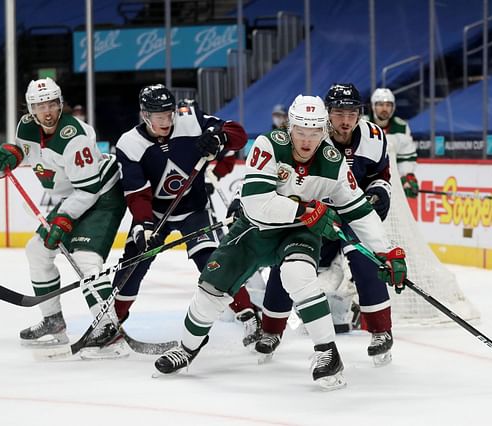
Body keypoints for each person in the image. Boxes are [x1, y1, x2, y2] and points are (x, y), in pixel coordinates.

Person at [153, 94, 407, 390]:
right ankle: (186, 348)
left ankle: (328, 353)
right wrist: (306, 211)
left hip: (298, 232)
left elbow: (359, 209)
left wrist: (386, 252)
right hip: (254, 230)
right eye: (301, 131)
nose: (306, 140)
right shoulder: (268, 145)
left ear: (324, 130)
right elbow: (259, 203)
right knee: (212, 284)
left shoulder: (333, 161)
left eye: (314, 132)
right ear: (290, 127)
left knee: (297, 274)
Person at [256, 83, 400, 367]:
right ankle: (271, 329)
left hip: (352, 213)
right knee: (289, 262)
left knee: (366, 260)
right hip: (314, 214)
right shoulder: (309, 137)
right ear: (326, 113)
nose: (345, 121)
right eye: (338, 113)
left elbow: (380, 175)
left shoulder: (373, 136)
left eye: (352, 113)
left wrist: (380, 192)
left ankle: (381, 331)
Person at [111, 85, 261, 347]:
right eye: (159, 117)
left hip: (195, 210)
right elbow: (137, 193)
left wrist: (220, 138)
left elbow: (238, 134)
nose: (166, 121)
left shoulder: (190, 118)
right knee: (132, 265)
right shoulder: (129, 144)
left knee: (214, 264)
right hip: (155, 214)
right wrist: (144, 226)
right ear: (145, 115)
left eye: (169, 115)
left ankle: (248, 315)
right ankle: (112, 321)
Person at [0, 77, 126, 357]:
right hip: (72, 195)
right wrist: (13, 156)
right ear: (30, 109)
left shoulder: (75, 137)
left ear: (60, 104)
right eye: (40, 106)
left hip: (102, 195)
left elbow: (89, 190)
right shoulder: (27, 126)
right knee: (37, 251)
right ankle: (54, 321)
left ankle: (108, 328)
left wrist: (63, 220)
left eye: (51, 104)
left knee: (86, 260)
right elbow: (28, 153)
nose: (47, 111)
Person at [370, 88, 419, 198]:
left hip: (392, 184)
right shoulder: (363, 123)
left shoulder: (401, 127)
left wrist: (406, 177)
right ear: (373, 106)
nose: (384, 108)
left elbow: (405, 157)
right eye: (380, 104)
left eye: (388, 105)